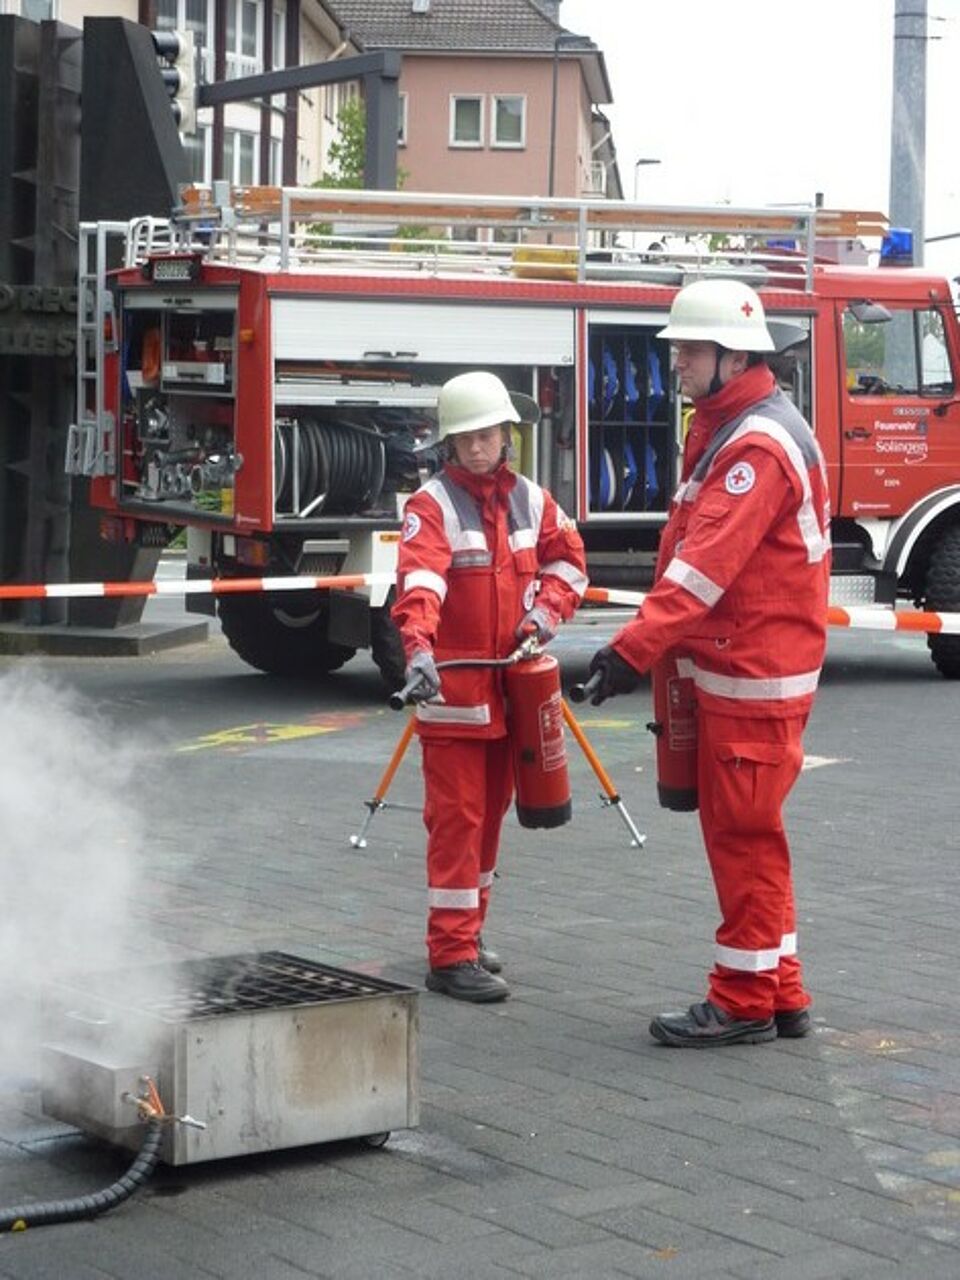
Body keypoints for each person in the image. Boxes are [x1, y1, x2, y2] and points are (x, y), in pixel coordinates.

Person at [586, 279, 830, 1048]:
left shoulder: (755, 446)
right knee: (755, 835)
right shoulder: (735, 426)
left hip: (753, 677)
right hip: (750, 671)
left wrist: (628, 653)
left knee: (743, 840)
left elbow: (701, 571)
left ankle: (742, 1001)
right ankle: (781, 990)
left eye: (690, 350)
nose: (676, 362)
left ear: (734, 356)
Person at [391, 371, 587, 1003]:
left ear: (507, 434)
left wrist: (544, 615)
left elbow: (569, 564)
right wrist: (419, 649)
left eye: (487, 434)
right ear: (448, 443)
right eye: (465, 438)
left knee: (489, 821)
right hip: (454, 697)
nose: (477, 447)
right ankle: (450, 955)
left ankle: (468, 935)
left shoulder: (531, 499)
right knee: (458, 822)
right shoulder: (432, 507)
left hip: (510, 695)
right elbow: (421, 584)